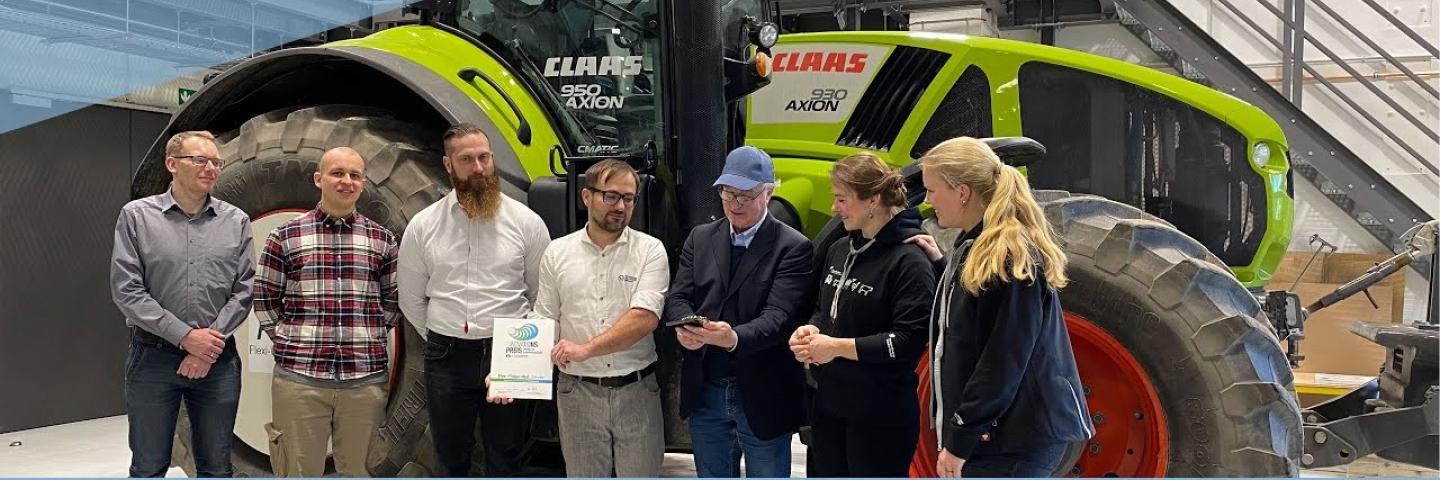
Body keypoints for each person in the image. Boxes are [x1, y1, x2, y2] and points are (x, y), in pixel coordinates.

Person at [920, 137, 1094, 478]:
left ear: (962, 192)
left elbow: (1002, 361)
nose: (927, 201)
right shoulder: (975, 247)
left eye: (932, 190)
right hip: (1000, 437)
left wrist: (961, 437)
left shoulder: (1007, 258)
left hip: (1012, 443)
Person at [397, 123, 551, 476]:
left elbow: (541, 296)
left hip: (509, 352)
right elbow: (411, 299)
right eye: (467, 160)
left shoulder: (527, 223)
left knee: (506, 457)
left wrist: (517, 356)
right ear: (448, 165)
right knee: (450, 457)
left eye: (484, 157)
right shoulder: (423, 226)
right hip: (446, 357)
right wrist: (443, 334)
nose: (479, 168)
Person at [111, 130, 254, 477]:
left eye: (216, 162)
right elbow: (127, 290)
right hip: (153, 358)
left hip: (217, 361)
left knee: (217, 467)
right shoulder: (137, 216)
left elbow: (244, 290)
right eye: (200, 160)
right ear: (172, 164)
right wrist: (186, 337)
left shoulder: (236, 221)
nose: (211, 168)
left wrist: (207, 347)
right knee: (148, 467)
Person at [666, 145, 814, 478]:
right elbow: (678, 298)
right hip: (706, 389)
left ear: (769, 193)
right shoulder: (700, 238)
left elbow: (779, 318)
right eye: (728, 193)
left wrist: (732, 337)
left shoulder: (793, 247)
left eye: (746, 195)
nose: (736, 204)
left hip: (763, 393)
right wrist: (685, 329)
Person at [253, 147, 400, 477]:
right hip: (300, 381)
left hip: (364, 381)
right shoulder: (285, 236)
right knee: (297, 471)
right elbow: (264, 299)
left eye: (355, 175)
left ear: (363, 183)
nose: (347, 181)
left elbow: (393, 302)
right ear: (319, 179)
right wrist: (291, 340)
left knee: (361, 471)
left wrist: (367, 336)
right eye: (337, 173)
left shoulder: (382, 240)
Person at [520, 159, 670, 477]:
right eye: (611, 196)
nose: (621, 206)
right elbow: (545, 320)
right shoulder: (557, 253)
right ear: (586, 197)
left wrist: (585, 349)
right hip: (578, 394)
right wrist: (513, 374)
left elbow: (644, 318)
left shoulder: (650, 251)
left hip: (637, 392)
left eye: (628, 198)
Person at [789, 152, 935, 477]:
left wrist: (836, 347)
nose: (834, 207)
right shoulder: (840, 249)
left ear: (873, 200)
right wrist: (811, 331)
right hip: (829, 406)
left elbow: (907, 341)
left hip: (880, 414)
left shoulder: (909, 261)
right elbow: (824, 310)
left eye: (842, 199)